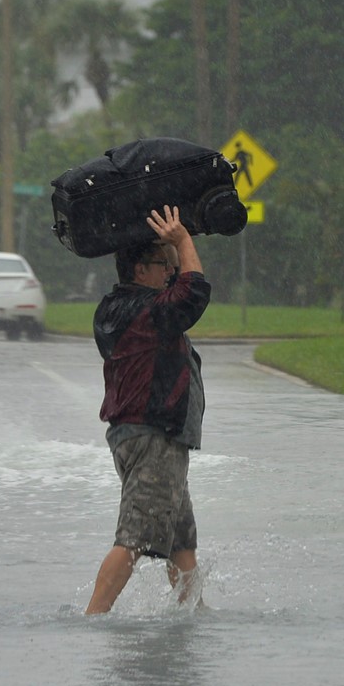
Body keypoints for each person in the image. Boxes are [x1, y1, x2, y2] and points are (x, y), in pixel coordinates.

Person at [85, 205, 210, 615]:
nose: (170, 272)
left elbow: (181, 288)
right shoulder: (148, 312)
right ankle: (94, 615)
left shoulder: (116, 309)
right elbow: (193, 293)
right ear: (140, 270)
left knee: (180, 540)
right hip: (155, 438)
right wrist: (184, 241)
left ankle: (194, 610)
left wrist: (174, 248)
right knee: (134, 538)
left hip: (141, 437)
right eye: (162, 265)